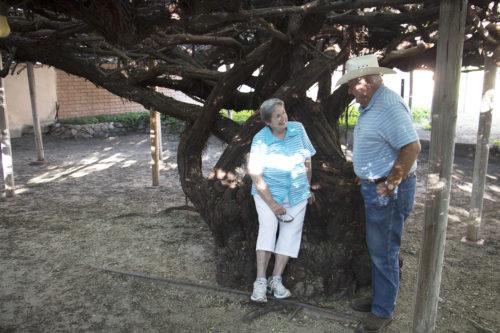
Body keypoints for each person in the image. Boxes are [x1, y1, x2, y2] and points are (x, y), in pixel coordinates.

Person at [336, 54, 421, 332]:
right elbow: (382, 146)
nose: (349, 91)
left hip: (387, 191)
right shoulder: (373, 103)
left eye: (351, 85)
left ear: (365, 83)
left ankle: (383, 311)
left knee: (384, 249)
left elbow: (411, 148)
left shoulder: (388, 106)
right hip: (376, 186)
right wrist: (367, 174)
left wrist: (390, 182)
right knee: (380, 248)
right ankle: (381, 296)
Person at [247, 98, 316, 303]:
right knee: (267, 230)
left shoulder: (298, 129)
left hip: (296, 193)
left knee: (290, 234)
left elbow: (307, 160)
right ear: (268, 121)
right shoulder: (260, 139)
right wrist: (272, 203)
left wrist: (307, 187)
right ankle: (260, 281)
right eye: (277, 116)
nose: (283, 118)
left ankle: (275, 279)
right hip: (268, 194)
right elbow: (255, 174)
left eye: (284, 113)